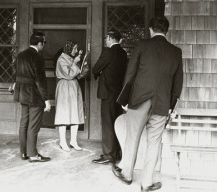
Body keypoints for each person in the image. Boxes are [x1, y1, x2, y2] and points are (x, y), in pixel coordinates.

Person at [112, 16, 183, 192]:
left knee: (132, 137)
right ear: (167, 31)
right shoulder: (176, 52)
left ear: (151, 29)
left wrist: (124, 100)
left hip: (139, 100)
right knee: (154, 142)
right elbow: (178, 84)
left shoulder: (142, 45)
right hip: (162, 103)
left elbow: (130, 74)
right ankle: (146, 183)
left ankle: (127, 174)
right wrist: (171, 107)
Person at [13, 32, 51, 163]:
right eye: (44, 43)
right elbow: (40, 81)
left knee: (24, 123)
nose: (44, 45)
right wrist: (46, 100)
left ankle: (24, 153)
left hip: (22, 94)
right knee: (33, 126)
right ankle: (33, 155)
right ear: (39, 43)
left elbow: (16, 74)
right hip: (34, 96)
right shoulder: (38, 57)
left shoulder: (20, 55)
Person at [92, 30, 127, 164]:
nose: (105, 40)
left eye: (107, 37)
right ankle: (117, 152)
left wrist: (101, 72)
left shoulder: (107, 52)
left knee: (107, 125)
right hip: (119, 94)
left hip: (107, 94)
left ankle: (108, 155)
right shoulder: (123, 53)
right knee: (116, 123)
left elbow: (96, 69)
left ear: (112, 38)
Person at [54, 40, 84, 152]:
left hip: (73, 87)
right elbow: (69, 74)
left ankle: (73, 141)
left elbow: (78, 74)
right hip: (64, 87)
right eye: (75, 48)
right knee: (64, 114)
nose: (76, 51)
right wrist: (75, 63)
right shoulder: (61, 59)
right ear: (69, 48)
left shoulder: (71, 59)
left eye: (76, 48)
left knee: (75, 113)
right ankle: (62, 141)